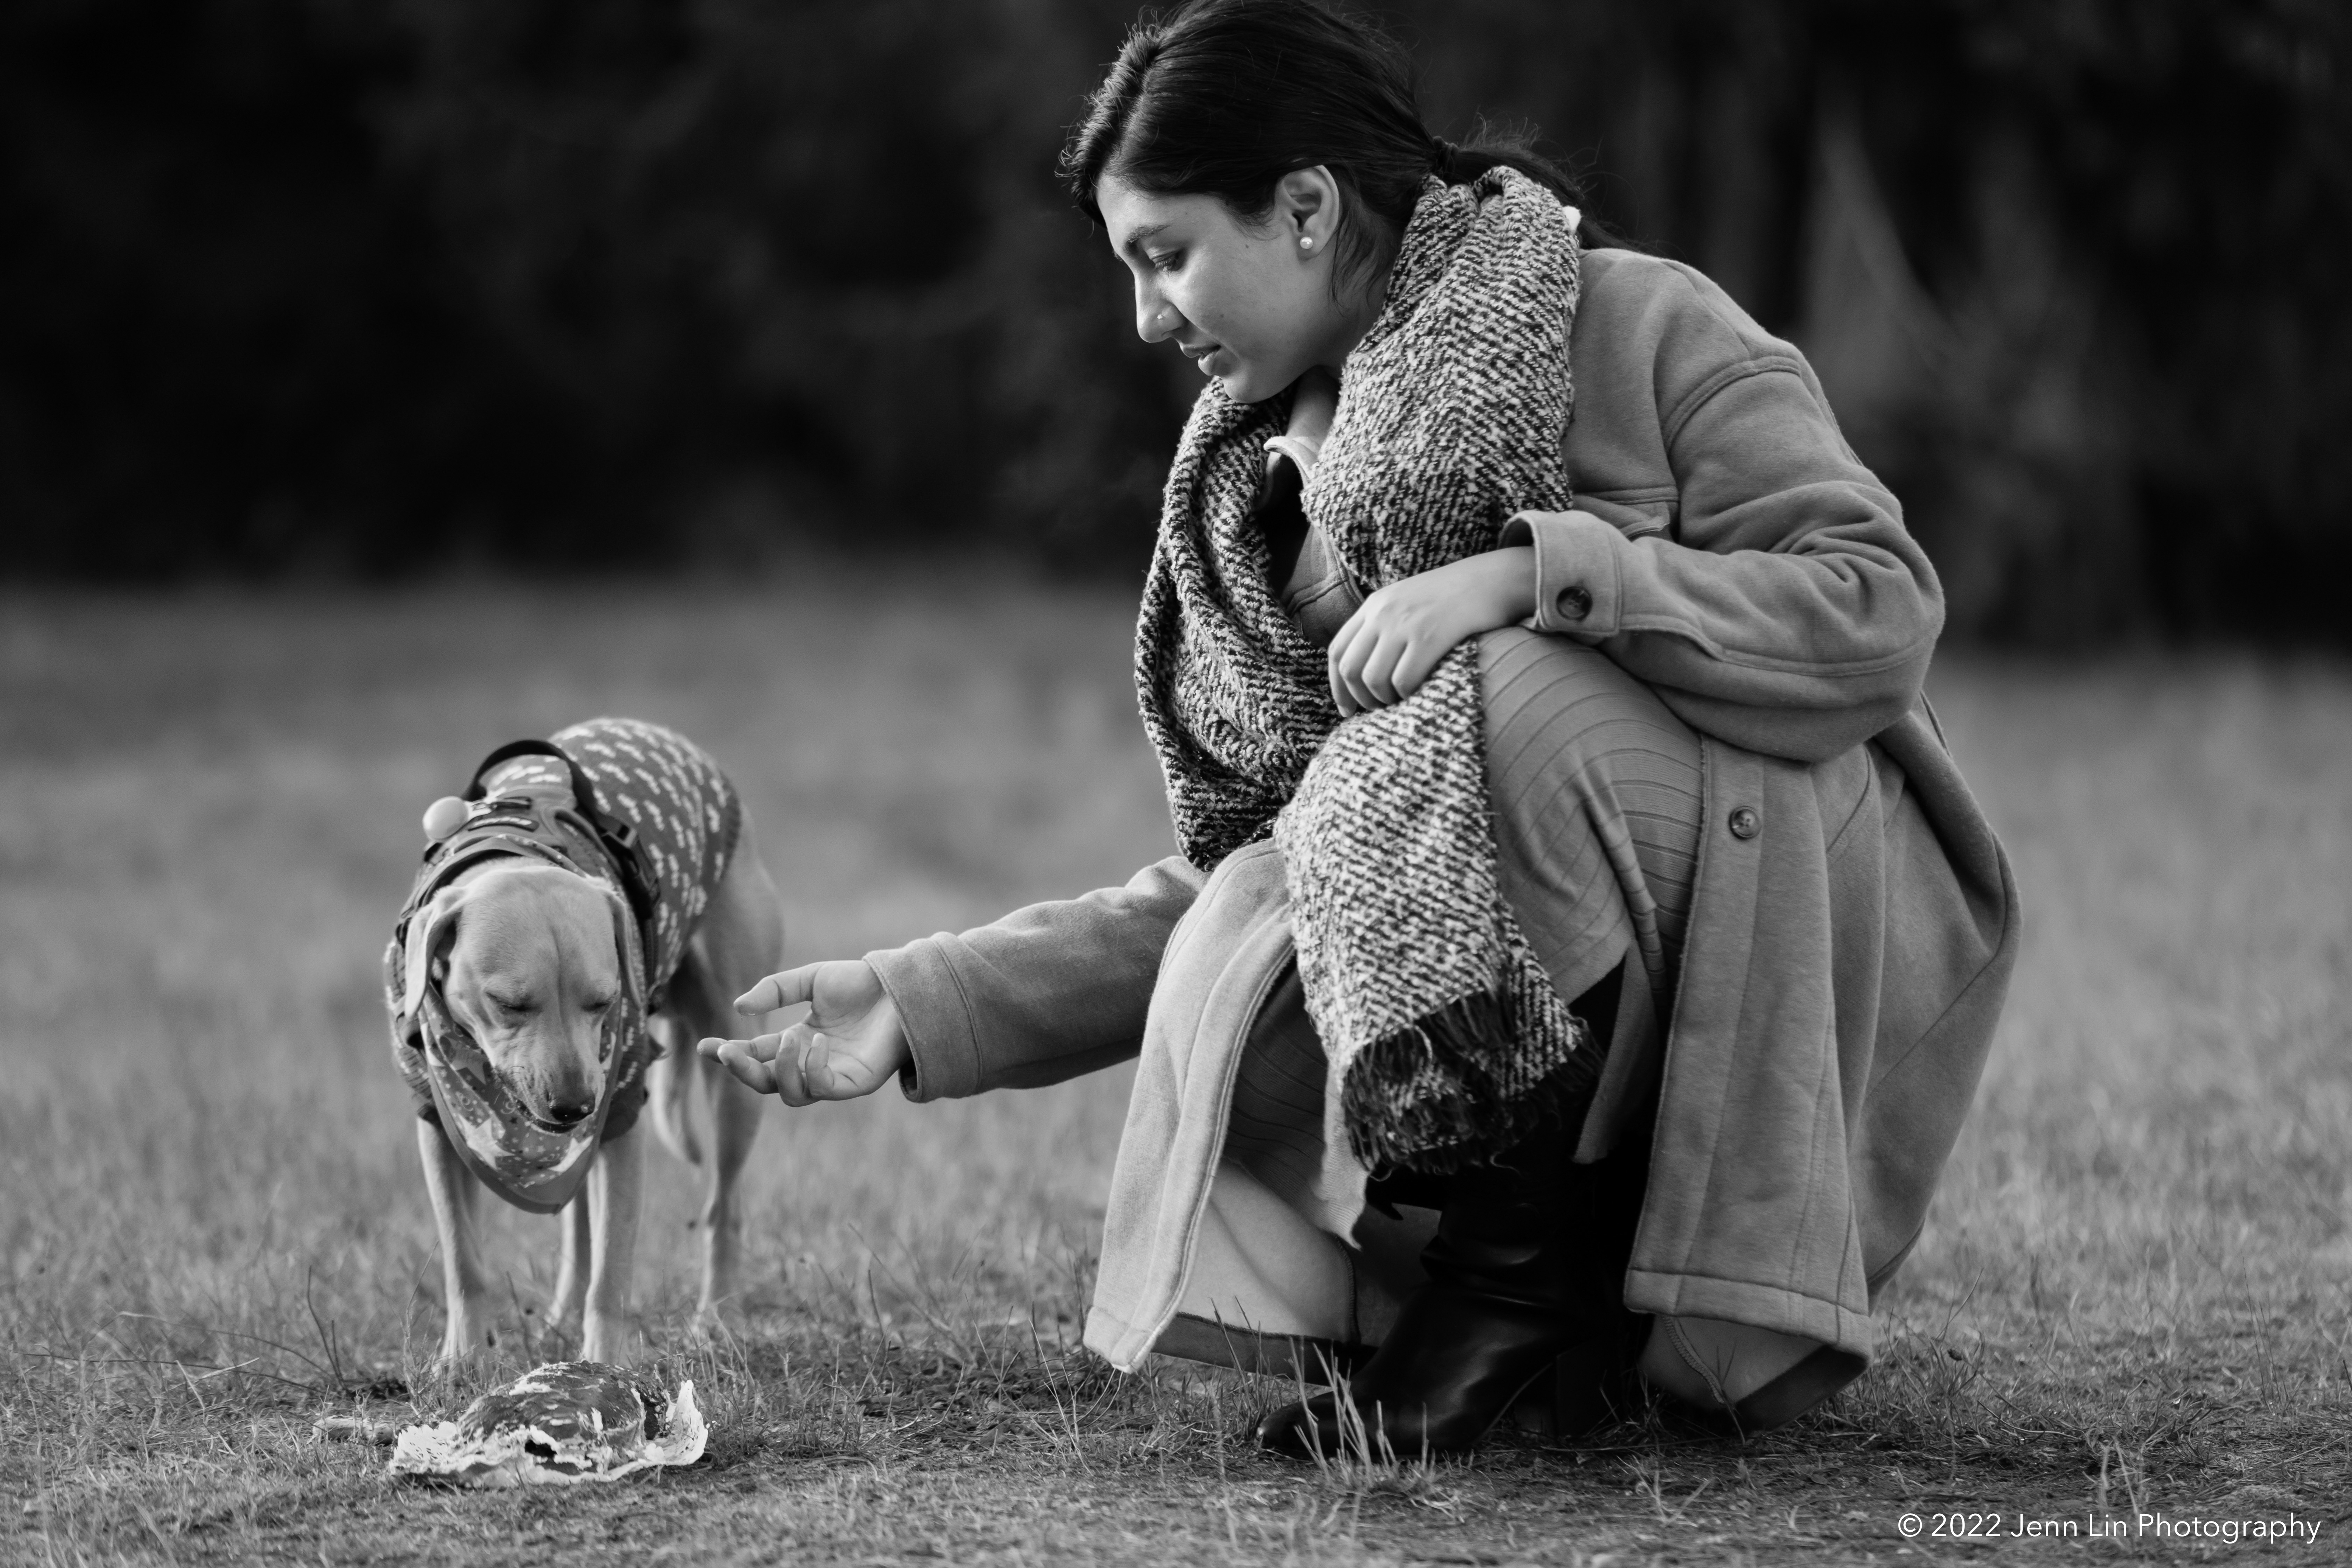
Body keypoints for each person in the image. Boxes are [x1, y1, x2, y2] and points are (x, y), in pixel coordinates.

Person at [704, 0, 2019, 1458]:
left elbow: (1882, 608)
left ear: (1310, 208)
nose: (1146, 316)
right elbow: (1278, 872)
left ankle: (1514, 1313)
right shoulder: (1261, 483)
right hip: (1598, 898)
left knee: (1481, 703)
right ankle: (1535, 1301)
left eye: (1168, 255)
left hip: (1798, 906)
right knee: (1374, 797)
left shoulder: (1635, 320)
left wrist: (1532, 573)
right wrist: (920, 1000)